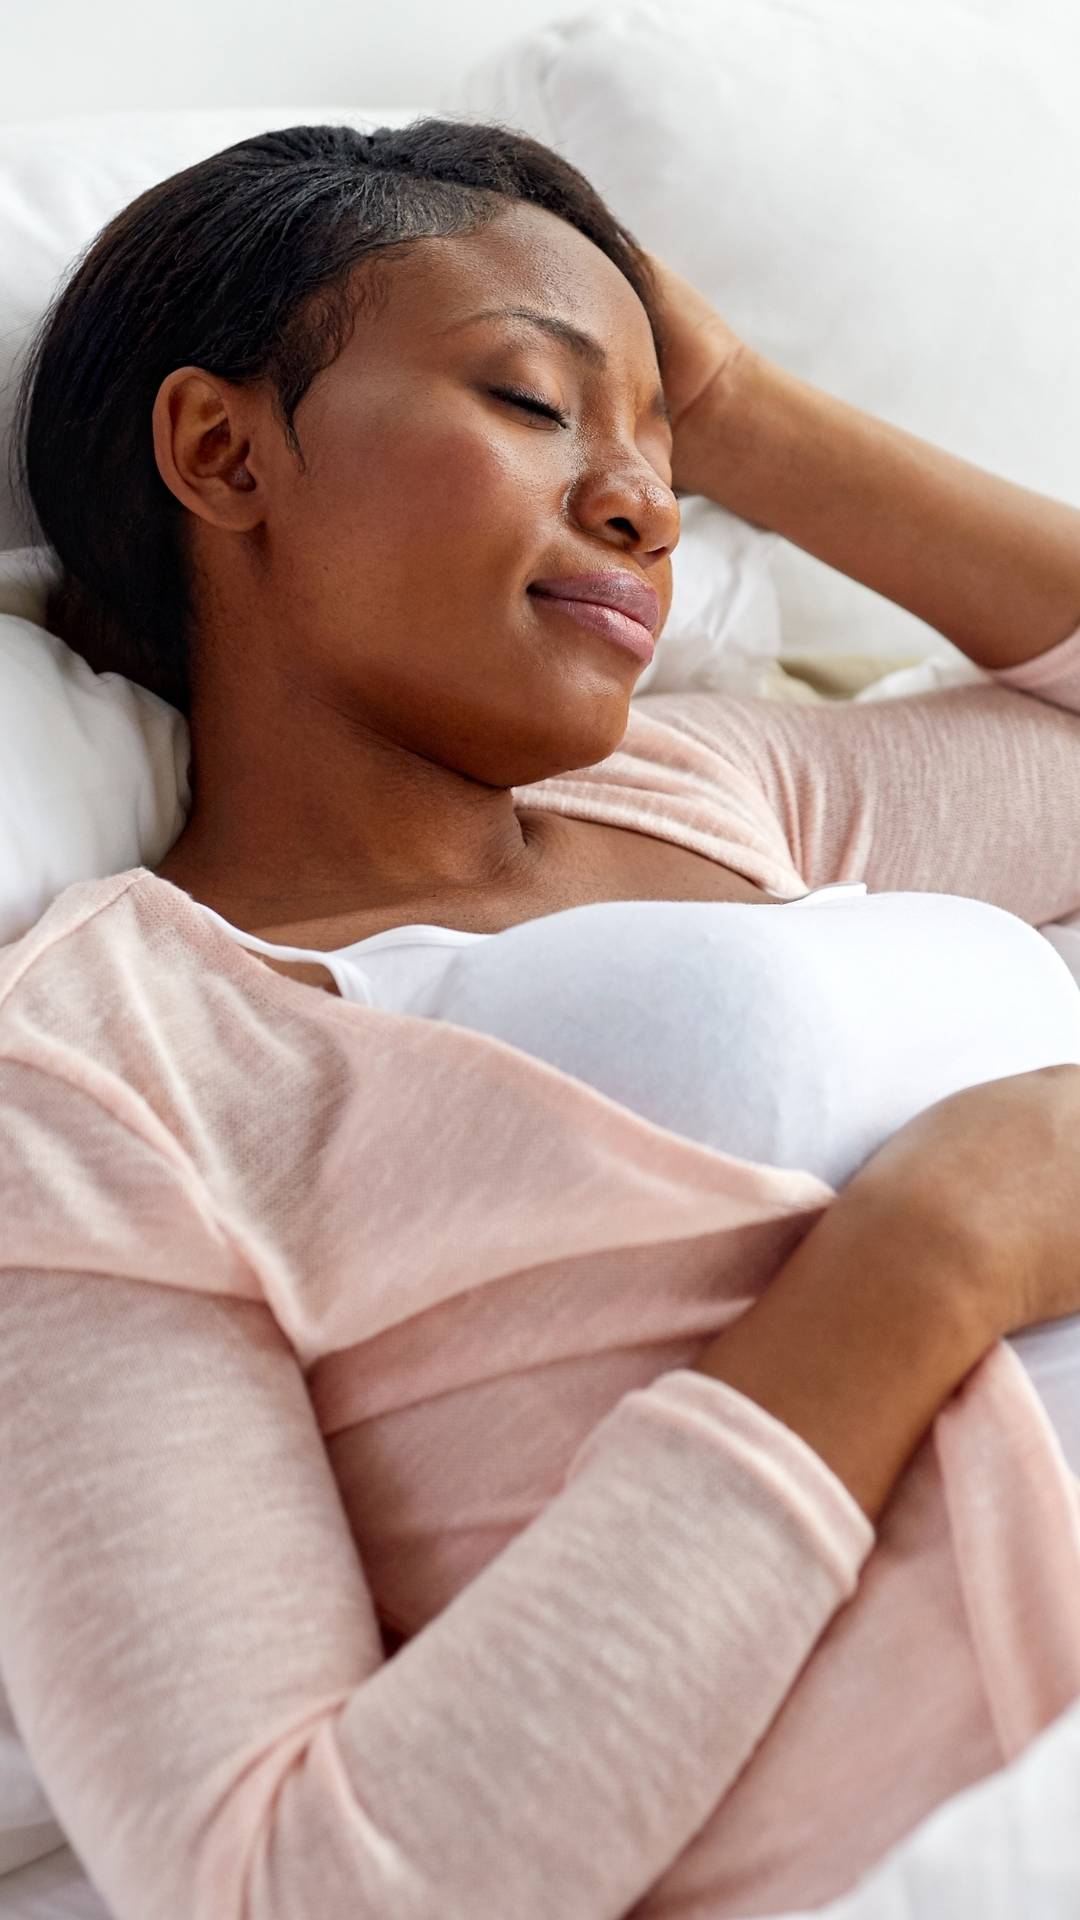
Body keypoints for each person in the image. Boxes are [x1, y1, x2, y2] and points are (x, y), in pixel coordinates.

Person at [4, 116, 1080, 1918]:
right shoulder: (104, 1071)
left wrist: (748, 412)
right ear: (221, 449)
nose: (648, 503)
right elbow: (283, 1882)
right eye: (532, 400)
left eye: (663, 448)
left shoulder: (706, 791)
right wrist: (933, 1258)